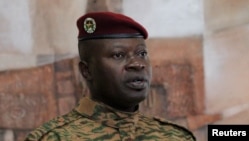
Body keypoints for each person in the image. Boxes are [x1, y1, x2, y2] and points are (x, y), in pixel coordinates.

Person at [24, 11, 196, 141]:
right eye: (118, 55)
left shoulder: (175, 136)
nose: (137, 64)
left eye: (142, 54)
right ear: (86, 71)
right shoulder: (54, 137)